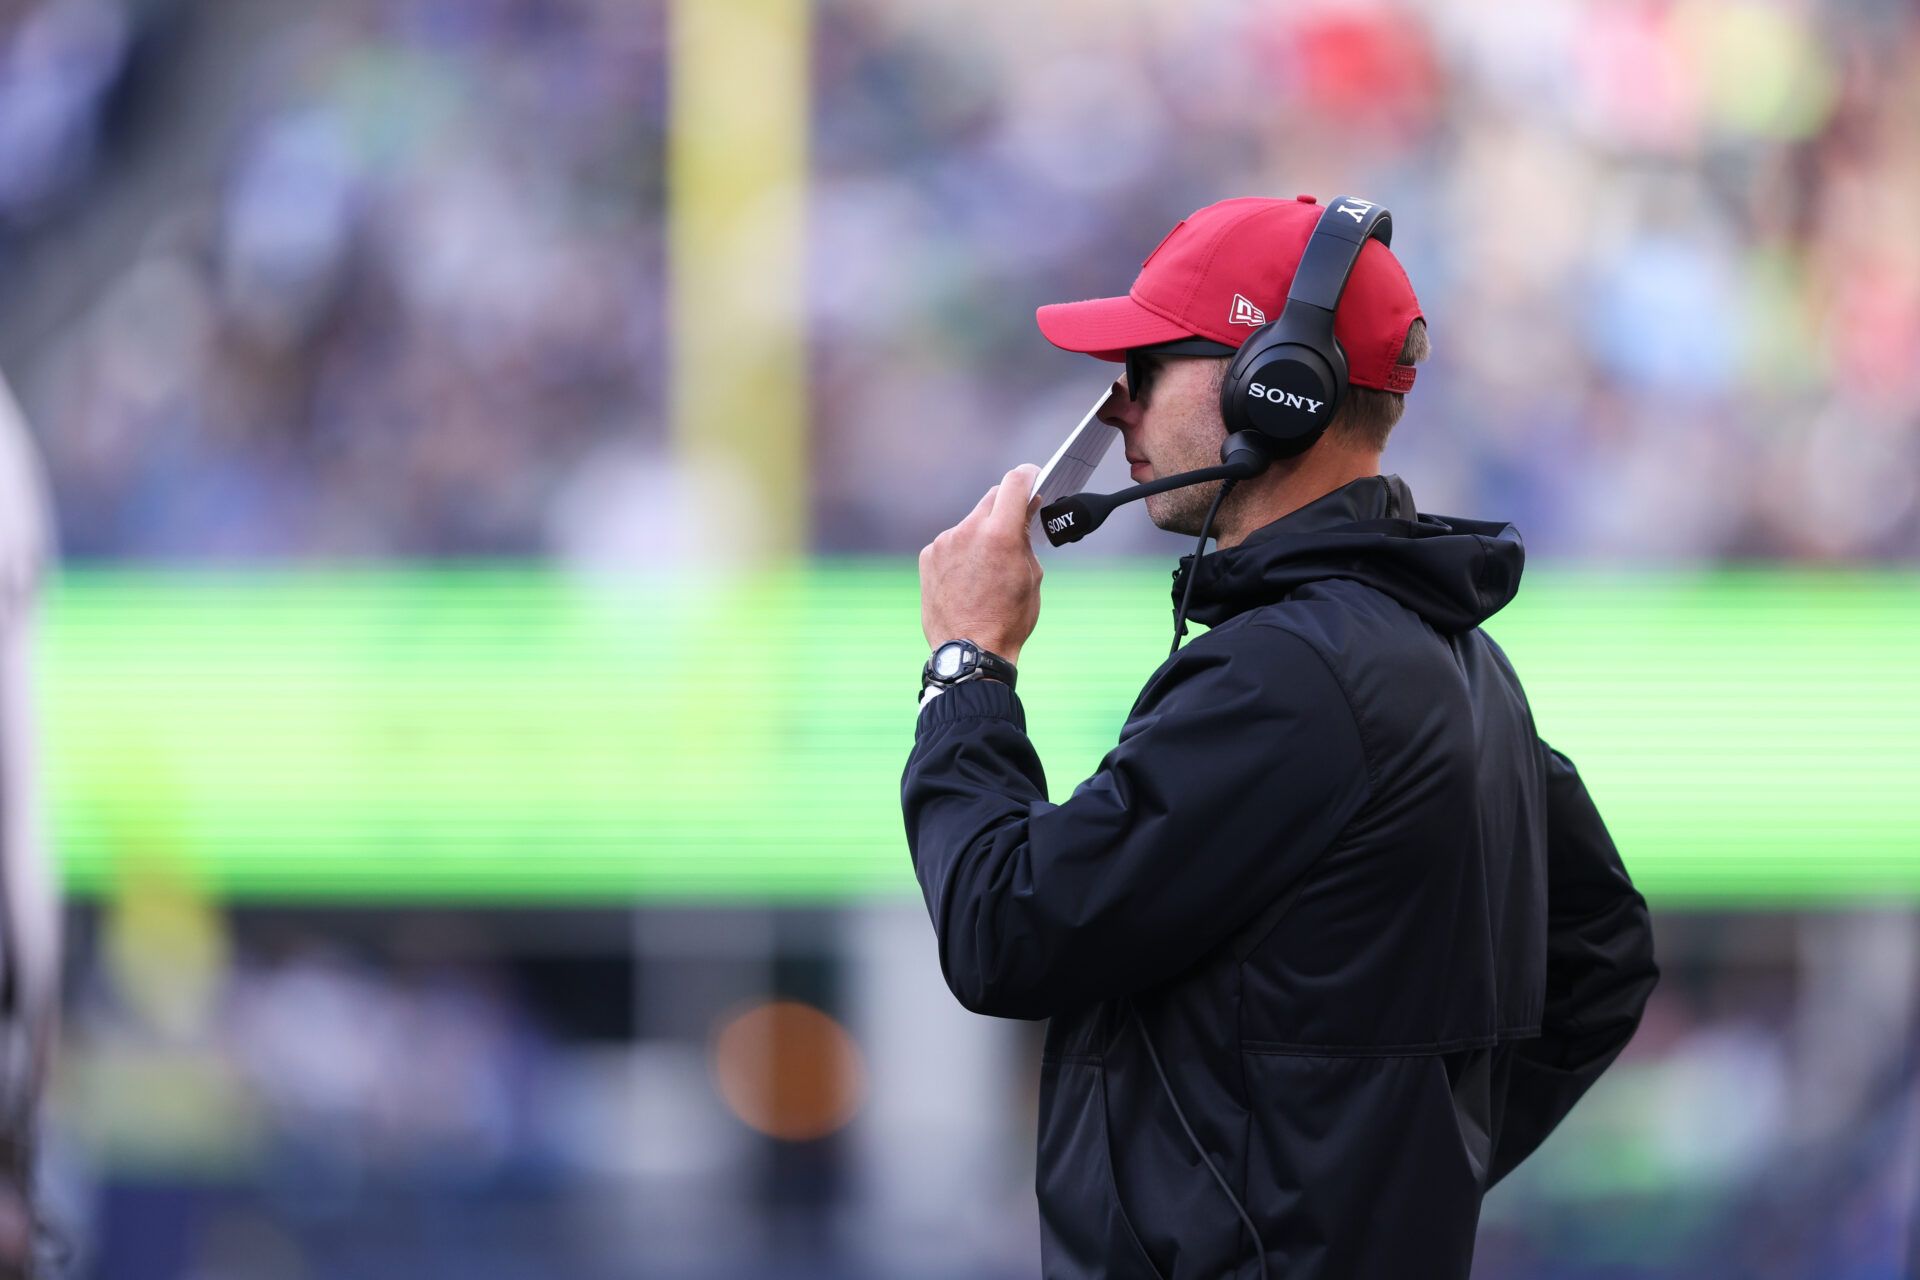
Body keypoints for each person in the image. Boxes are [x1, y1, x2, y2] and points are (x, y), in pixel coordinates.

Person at [901, 196, 1658, 1279]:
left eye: (1146, 360)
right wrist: (1391, 1179)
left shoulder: (1293, 672)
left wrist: (967, 662)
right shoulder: (1455, 659)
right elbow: (1603, 958)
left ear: (1274, 385)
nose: (1116, 405)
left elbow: (1005, 925)